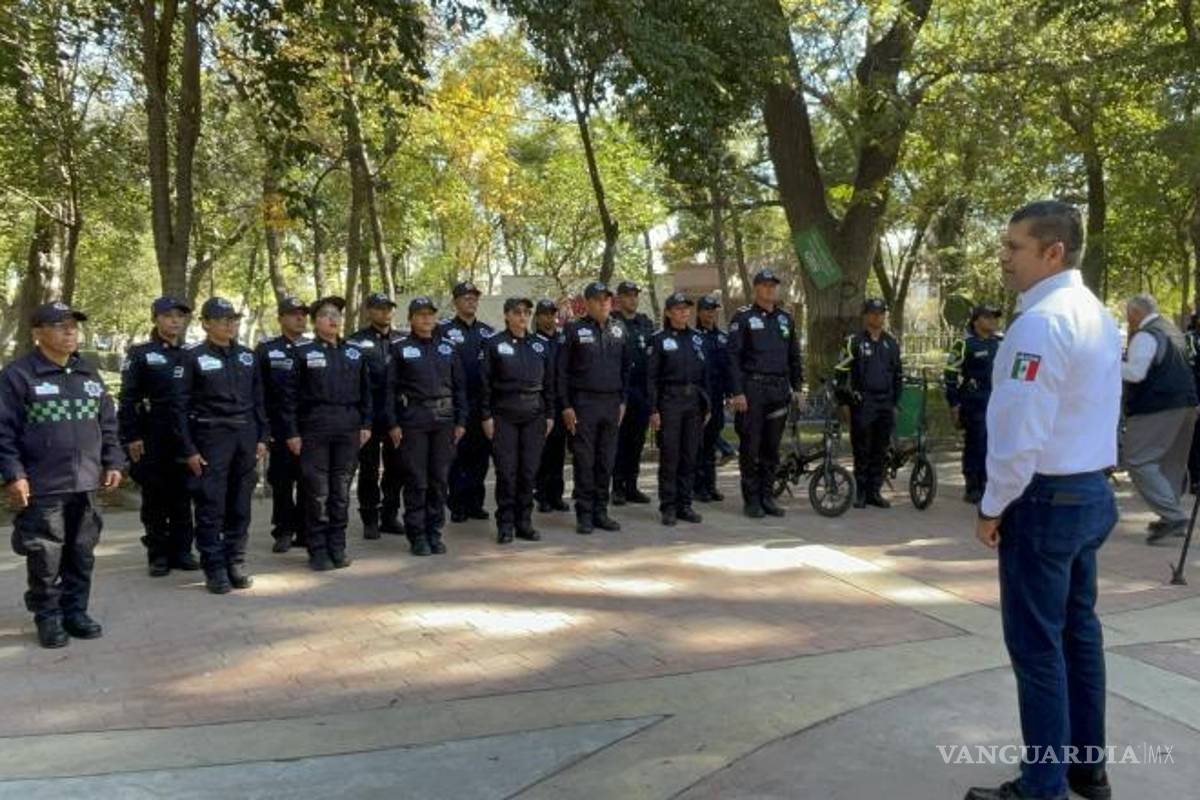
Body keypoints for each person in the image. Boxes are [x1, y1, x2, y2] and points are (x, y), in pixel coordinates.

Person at [965, 201, 1121, 800]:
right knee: (1079, 634)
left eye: (1014, 247)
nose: (1004, 257)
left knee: (1038, 648)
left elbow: (1019, 429)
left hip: (1046, 499)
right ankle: (1087, 769)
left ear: (1052, 252)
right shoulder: (1095, 313)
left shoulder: (1042, 321)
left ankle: (1044, 786)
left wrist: (992, 505)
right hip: (1088, 492)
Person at [0, 302, 123, 648]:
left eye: (73, 326)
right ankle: (48, 617)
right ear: (37, 333)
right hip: (43, 485)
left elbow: (108, 423)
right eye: (60, 326)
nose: (70, 332)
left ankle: (75, 611)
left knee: (81, 551)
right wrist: (14, 474)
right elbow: (4, 431)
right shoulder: (18, 375)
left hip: (86, 483)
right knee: (45, 555)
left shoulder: (88, 374)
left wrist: (113, 461)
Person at [171, 297, 268, 595]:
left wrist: (263, 437)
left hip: (245, 437)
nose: (229, 324)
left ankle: (235, 562)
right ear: (206, 324)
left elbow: (259, 400)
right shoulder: (192, 357)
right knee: (211, 504)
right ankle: (214, 568)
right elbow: (179, 408)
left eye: (233, 319)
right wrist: (188, 449)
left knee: (240, 504)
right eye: (223, 319)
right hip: (211, 438)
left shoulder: (248, 357)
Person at [281, 297, 372, 571]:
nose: (333, 319)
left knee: (341, 490)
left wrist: (366, 424)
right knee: (317, 492)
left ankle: (337, 546)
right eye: (326, 315)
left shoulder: (354, 352)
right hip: (315, 426)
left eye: (337, 315)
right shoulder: (302, 352)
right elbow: (289, 398)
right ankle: (317, 549)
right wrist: (292, 433)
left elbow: (367, 393)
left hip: (348, 425)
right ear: (315, 321)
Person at [118, 295, 199, 576]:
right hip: (153, 433)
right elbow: (127, 398)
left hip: (185, 435)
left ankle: (182, 551)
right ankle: (158, 554)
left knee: (183, 494)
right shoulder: (141, 353)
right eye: (168, 315)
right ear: (156, 319)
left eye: (180, 316)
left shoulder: (192, 353)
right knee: (155, 496)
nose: (175, 320)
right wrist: (132, 435)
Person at [386, 297, 467, 556]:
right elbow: (389, 391)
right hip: (414, 419)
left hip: (444, 419)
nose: (426, 320)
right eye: (420, 315)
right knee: (416, 479)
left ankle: (434, 531)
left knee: (439, 479)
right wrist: (393, 423)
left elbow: (460, 387)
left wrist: (461, 420)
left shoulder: (448, 347)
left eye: (430, 315)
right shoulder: (400, 348)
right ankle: (417, 535)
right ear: (411, 319)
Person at [1119, 293, 1198, 544]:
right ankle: (1168, 516)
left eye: (1127, 314)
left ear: (1135, 313)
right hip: (1187, 404)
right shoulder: (1173, 331)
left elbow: (1135, 373)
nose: (1126, 319)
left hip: (1157, 406)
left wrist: (1107, 363)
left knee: (1138, 459)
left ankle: (1172, 516)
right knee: (1171, 463)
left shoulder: (1146, 335)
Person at [726, 269, 804, 519]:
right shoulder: (743, 318)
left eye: (774, 285)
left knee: (771, 447)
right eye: (765, 285)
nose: (770, 290)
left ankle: (768, 496)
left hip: (779, 390)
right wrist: (737, 392)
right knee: (751, 446)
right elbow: (733, 357)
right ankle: (751, 500)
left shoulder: (785, 319)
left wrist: (798, 388)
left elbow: (794, 357)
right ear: (756, 288)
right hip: (752, 390)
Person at [557, 281, 631, 534]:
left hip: (611, 403)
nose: (604, 303)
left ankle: (601, 511)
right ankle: (585, 514)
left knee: (606, 460)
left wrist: (623, 401)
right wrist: (566, 406)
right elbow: (562, 372)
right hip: (584, 404)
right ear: (587, 303)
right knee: (585, 461)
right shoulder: (574, 330)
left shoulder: (620, 329)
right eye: (598, 299)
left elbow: (625, 369)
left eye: (607, 299)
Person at [480, 297, 555, 544]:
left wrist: (550, 414)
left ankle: (524, 522)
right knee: (507, 472)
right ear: (507, 315)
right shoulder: (494, 344)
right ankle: (506, 524)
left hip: (534, 415)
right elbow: (484, 385)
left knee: (528, 472)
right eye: (517, 312)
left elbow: (550, 385)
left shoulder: (540, 345)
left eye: (526, 312)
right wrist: (486, 416)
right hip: (504, 415)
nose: (523, 317)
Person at [835, 298, 903, 509]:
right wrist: (844, 403)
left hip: (885, 403)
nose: (877, 317)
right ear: (865, 316)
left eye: (881, 313)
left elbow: (897, 375)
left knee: (881, 450)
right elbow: (841, 374)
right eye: (873, 313)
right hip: (863, 403)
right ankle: (861, 492)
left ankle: (875, 491)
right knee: (862, 448)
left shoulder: (891, 343)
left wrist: (895, 403)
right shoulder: (853, 342)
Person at [647, 293, 708, 526]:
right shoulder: (659, 339)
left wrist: (707, 404)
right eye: (679, 309)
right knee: (670, 456)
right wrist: (653, 409)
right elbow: (651, 378)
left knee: (689, 455)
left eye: (687, 309)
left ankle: (685, 504)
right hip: (670, 402)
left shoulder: (697, 338)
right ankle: (668, 506)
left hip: (693, 403)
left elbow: (706, 375)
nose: (684, 312)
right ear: (669, 312)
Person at [256, 295, 310, 553]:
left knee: (309, 480)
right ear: (281, 319)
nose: (300, 318)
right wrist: (263, 432)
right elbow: (259, 393)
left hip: (310, 427)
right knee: (282, 481)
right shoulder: (267, 349)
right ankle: (284, 529)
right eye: (293, 314)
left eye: (303, 314)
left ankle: (305, 529)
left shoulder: (314, 348)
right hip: (278, 429)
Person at [348, 292, 405, 540]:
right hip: (368, 416)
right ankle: (370, 518)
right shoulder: (355, 342)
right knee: (369, 469)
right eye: (380, 309)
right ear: (369, 311)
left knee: (396, 468)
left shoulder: (403, 340)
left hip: (397, 415)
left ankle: (390, 516)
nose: (386, 313)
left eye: (389, 309)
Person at [944, 304, 1003, 504]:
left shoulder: (1001, 342)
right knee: (976, 443)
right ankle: (973, 485)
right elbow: (950, 376)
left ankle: (989, 483)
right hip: (974, 402)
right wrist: (954, 404)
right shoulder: (964, 344)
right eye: (988, 317)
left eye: (995, 317)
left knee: (994, 445)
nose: (993, 321)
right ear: (976, 320)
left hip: (998, 401)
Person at [611, 280, 656, 505]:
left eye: (635, 295)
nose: (633, 299)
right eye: (628, 295)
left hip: (641, 389)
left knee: (637, 441)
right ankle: (617, 487)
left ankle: (632, 485)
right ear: (618, 299)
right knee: (619, 441)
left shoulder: (645, 323)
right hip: (620, 391)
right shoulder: (612, 324)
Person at [533, 299, 570, 513]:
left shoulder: (562, 340)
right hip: (540, 405)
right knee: (543, 453)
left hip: (560, 402)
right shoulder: (532, 341)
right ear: (538, 317)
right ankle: (542, 495)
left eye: (552, 314)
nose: (550, 318)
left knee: (558, 453)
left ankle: (556, 494)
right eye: (545, 314)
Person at [694, 294, 731, 503]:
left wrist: (730, 394)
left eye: (713, 310)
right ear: (699, 312)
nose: (710, 313)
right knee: (698, 444)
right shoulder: (693, 337)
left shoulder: (722, 338)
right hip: (699, 397)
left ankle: (710, 485)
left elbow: (728, 368)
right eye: (707, 309)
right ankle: (697, 487)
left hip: (717, 397)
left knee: (711, 443)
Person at [1186, 313, 1200, 493]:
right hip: (1195, 396)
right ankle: (1196, 479)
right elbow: (1190, 372)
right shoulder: (1190, 340)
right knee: (1195, 440)